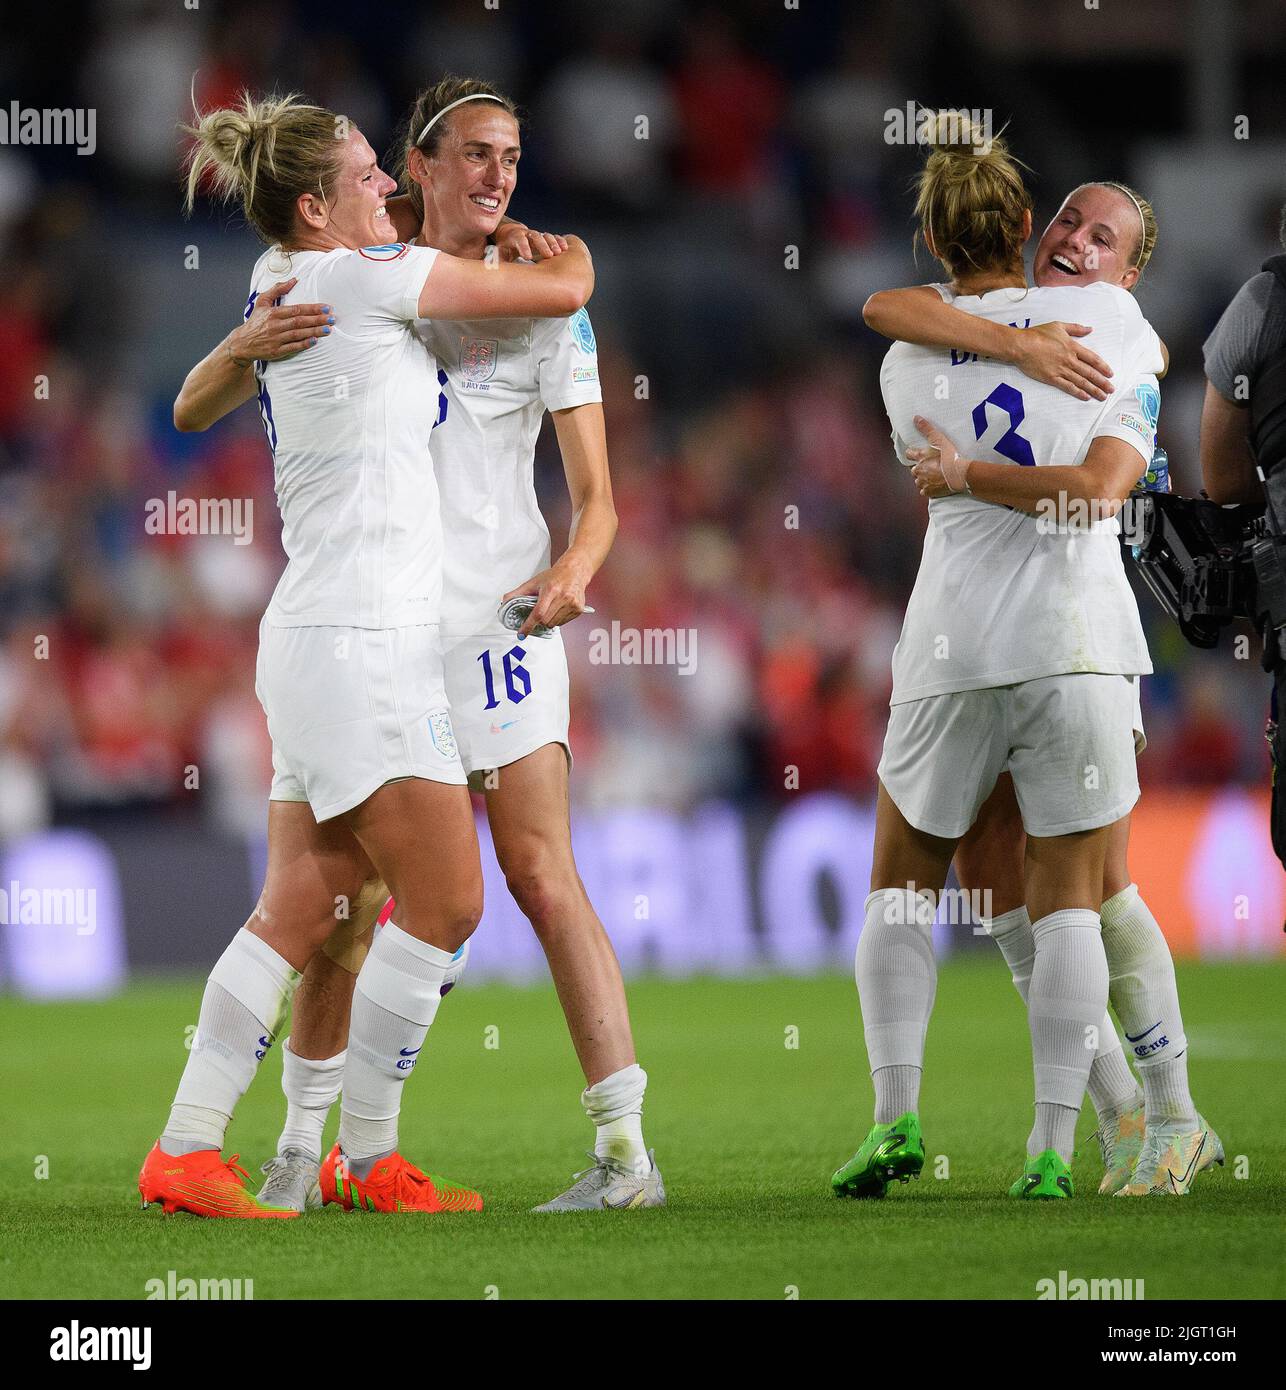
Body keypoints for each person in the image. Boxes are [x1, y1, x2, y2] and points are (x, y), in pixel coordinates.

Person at [174, 79, 664, 1214]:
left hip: (494, 620)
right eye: (476, 154)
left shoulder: (541, 307)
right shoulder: (359, 271)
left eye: (514, 155)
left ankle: (623, 1148)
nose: (499, 175)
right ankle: (310, 1150)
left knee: (535, 871)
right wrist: (241, 343)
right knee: (340, 907)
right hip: (379, 630)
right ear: (418, 162)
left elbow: (597, 500)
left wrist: (572, 575)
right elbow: (199, 394)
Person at [862, 182, 1222, 1195]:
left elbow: (1098, 491)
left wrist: (966, 474)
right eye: (1065, 220)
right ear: (1032, 230)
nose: (1073, 241)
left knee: (1096, 885)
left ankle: (1173, 1115)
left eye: (1100, 236)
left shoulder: (1125, 341)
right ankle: (1112, 1113)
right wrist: (1017, 346)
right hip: (981, 646)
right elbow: (890, 306)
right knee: (991, 867)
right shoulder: (990, 330)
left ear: (1131, 271)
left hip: (1074, 630)